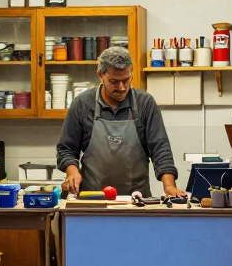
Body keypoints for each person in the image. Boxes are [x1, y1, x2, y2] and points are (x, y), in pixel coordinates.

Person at [57, 47, 181, 199]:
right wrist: (72, 172)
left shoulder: (145, 103)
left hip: (137, 201)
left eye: (126, 80)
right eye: (114, 82)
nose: (122, 88)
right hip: (92, 200)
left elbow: (160, 149)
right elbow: (66, 149)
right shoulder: (82, 104)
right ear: (100, 75)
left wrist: (169, 185)